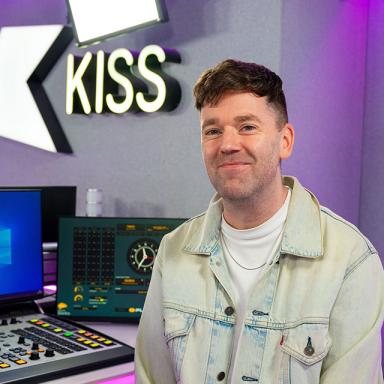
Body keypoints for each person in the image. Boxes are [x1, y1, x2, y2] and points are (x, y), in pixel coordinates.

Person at [135, 59, 384, 383]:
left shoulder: (350, 260)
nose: (227, 144)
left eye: (247, 126)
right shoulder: (174, 251)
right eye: (212, 130)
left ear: (285, 140)